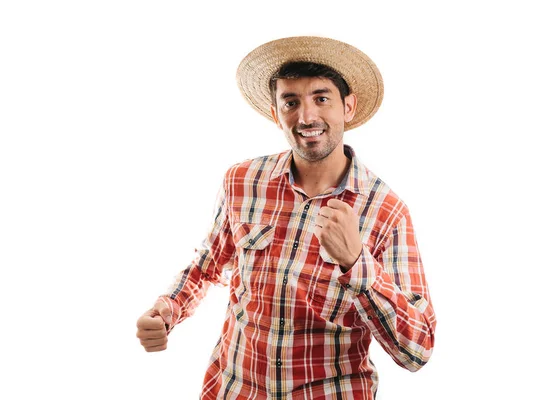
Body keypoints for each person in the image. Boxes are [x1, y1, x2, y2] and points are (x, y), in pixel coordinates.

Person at [136, 36, 436, 399]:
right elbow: (206, 267)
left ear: (349, 107)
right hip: (233, 390)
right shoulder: (242, 181)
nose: (306, 116)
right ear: (276, 113)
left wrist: (356, 264)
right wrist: (166, 310)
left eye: (321, 98)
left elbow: (417, 349)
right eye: (290, 102)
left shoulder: (386, 211)